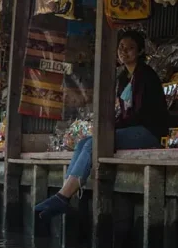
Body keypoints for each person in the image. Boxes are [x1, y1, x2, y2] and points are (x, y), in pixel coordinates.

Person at [36, 30, 168, 218]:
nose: (124, 52)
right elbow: (124, 113)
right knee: (84, 143)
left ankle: (63, 197)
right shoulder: (124, 77)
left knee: (94, 143)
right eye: (121, 48)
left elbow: (139, 114)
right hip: (132, 129)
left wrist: (110, 128)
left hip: (149, 131)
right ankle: (65, 192)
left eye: (130, 48)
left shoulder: (145, 75)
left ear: (139, 51)